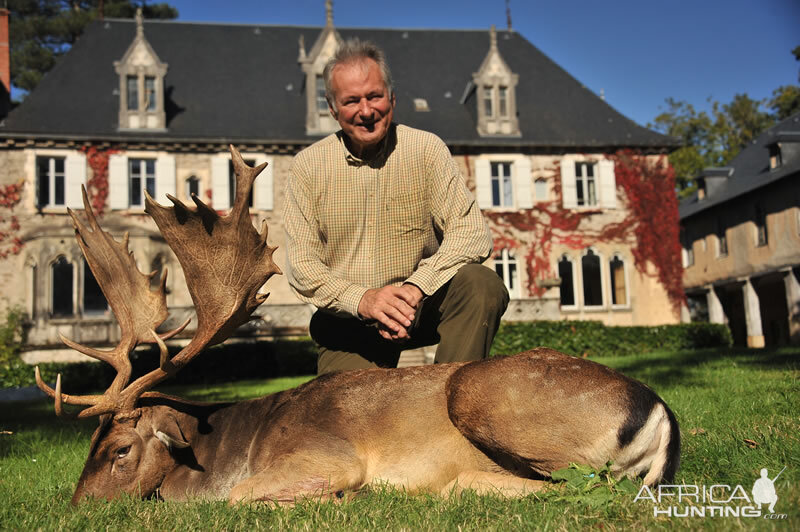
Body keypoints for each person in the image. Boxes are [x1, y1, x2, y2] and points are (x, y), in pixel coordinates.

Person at [284, 39, 509, 375]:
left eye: (374, 96)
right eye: (351, 101)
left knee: (482, 285)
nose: (366, 110)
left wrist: (415, 288)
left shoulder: (426, 150)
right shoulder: (307, 168)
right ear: (333, 110)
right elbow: (302, 266)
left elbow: (472, 234)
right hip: (351, 325)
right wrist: (364, 300)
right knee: (348, 422)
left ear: (392, 98)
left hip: (423, 306)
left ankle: (449, 401)